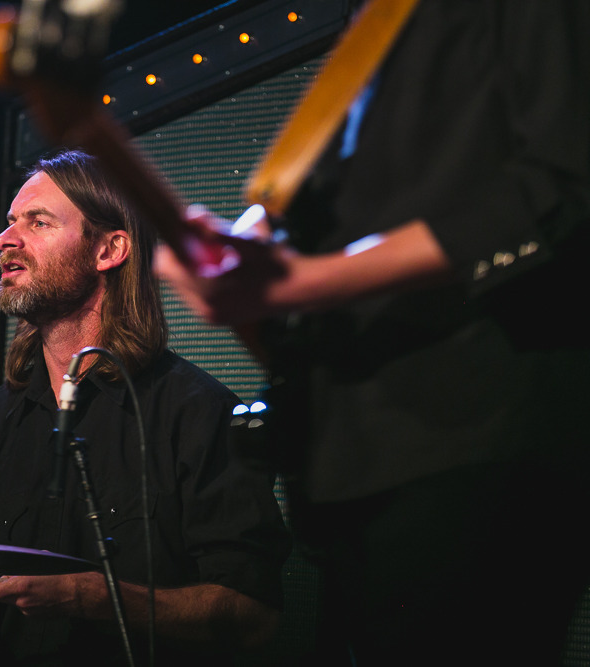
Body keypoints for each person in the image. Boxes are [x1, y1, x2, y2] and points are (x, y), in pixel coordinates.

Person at [155, 1, 590, 665]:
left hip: (477, 428)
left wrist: (307, 280)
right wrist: (248, 242)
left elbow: (561, 185)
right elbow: (338, 216)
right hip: (355, 457)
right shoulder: (374, 28)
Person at [0, 149, 291, 665]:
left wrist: (91, 597)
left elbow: (255, 617)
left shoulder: (198, 411)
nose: (6, 239)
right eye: (9, 224)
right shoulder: (1, 416)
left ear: (109, 250)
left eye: (38, 221)